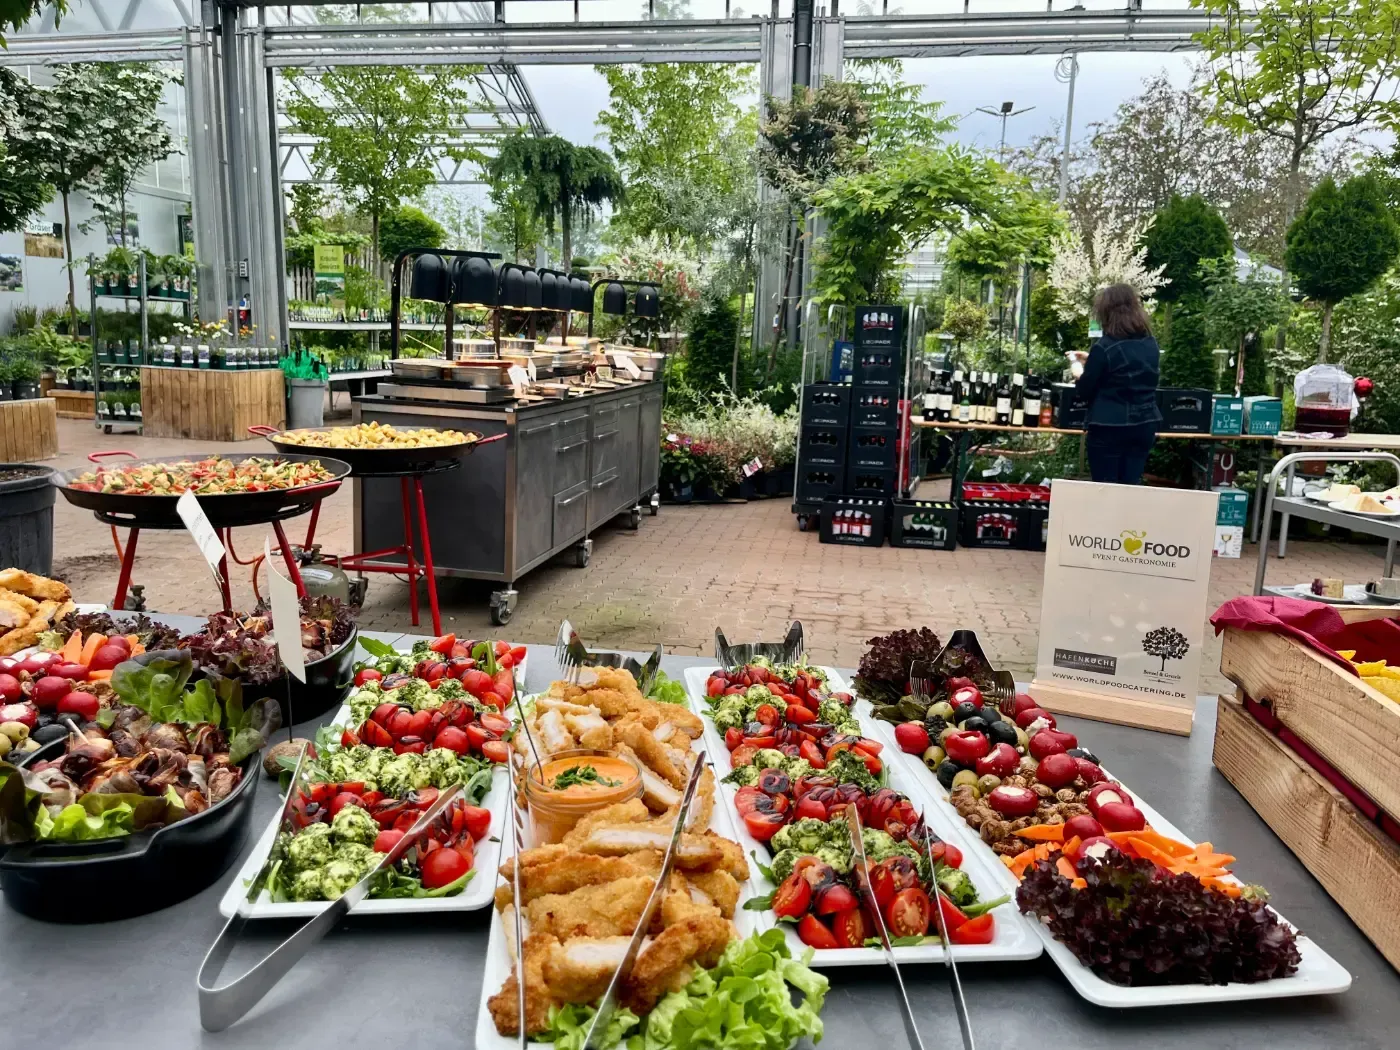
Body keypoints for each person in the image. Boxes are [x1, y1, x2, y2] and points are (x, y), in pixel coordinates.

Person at [1069, 283, 1162, 485]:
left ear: (1106, 312)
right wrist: (1092, 360)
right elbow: (1133, 371)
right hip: (1144, 423)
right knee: (1131, 486)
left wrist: (1078, 371)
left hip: (1109, 425)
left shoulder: (1104, 347)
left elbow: (1085, 390)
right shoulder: (1150, 343)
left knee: (1106, 488)